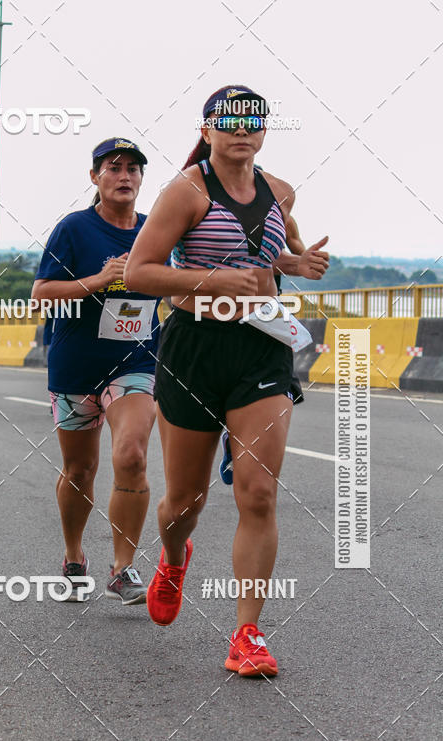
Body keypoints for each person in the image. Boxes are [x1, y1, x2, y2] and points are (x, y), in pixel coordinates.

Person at [125, 86, 329, 676]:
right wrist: (215, 282)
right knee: (184, 501)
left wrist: (295, 264)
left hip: (261, 348)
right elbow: (140, 272)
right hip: (194, 348)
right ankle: (172, 556)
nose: (242, 128)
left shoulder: (279, 190)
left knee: (258, 492)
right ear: (208, 129)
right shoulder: (185, 192)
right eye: (228, 120)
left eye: (252, 120)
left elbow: (278, 249)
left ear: (264, 131)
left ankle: (247, 634)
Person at [31, 137, 163, 605]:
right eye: (114, 167)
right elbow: (41, 293)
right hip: (75, 364)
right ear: (95, 178)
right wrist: (98, 281)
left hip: (136, 362)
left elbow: (189, 280)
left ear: (142, 180)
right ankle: (73, 556)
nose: (125, 175)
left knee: (131, 454)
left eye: (133, 169)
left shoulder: (155, 233)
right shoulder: (74, 228)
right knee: (80, 468)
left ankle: (123, 568)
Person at [219, 211, 308, 484]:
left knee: (286, 387)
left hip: (267, 314)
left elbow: (299, 253)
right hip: (217, 315)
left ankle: (243, 443)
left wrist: (307, 260)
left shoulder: (280, 214)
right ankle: (232, 437)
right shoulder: (207, 211)